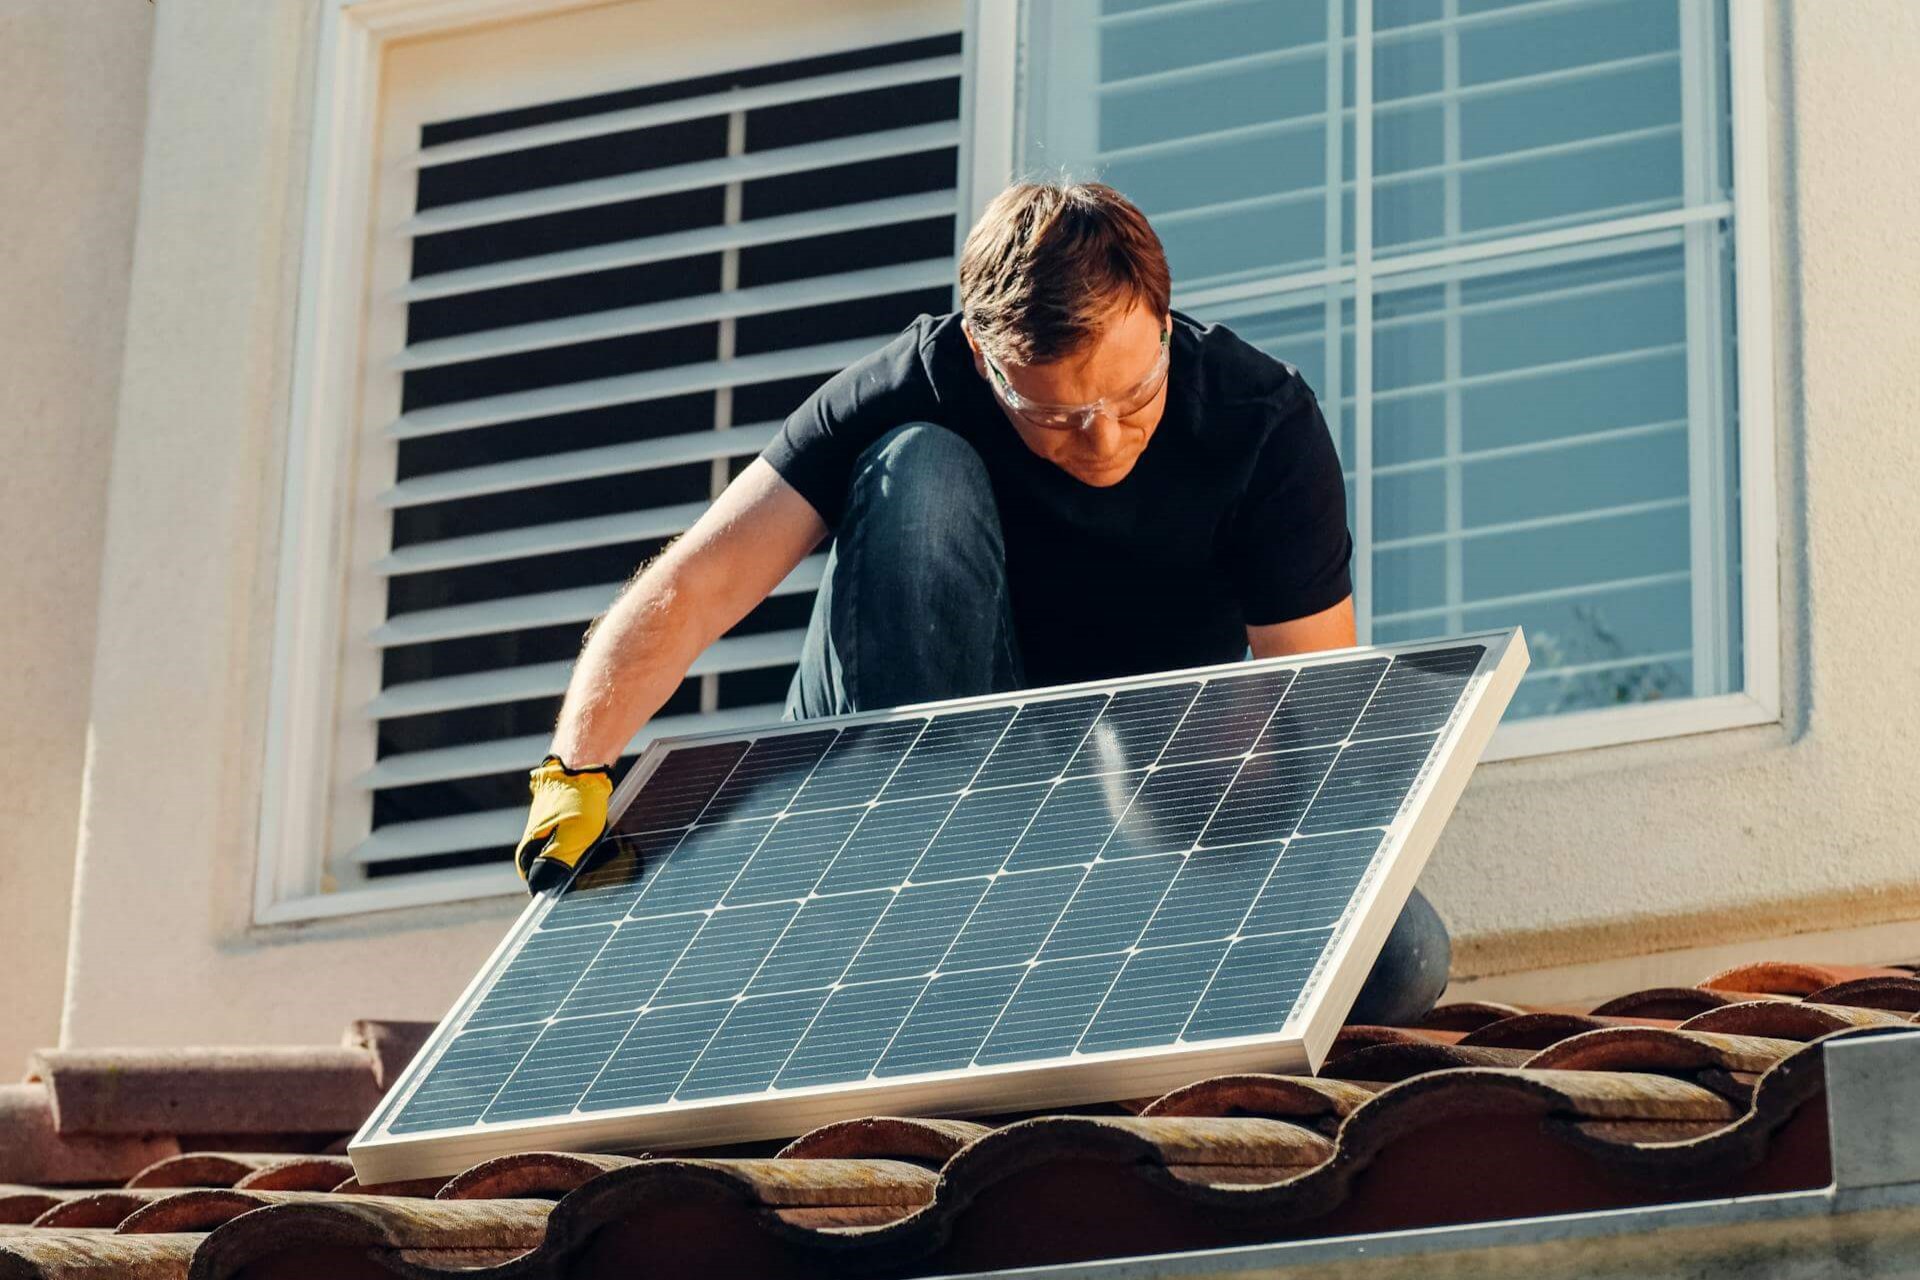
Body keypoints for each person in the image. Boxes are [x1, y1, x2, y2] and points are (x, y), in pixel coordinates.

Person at [513, 181, 1452, 1025]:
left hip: (1108, 815)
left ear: (1163, 323)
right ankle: (926, 888)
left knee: (1399, 955)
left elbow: (1320, 713)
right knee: (916, 472)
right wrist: (575, 773)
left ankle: (1053, 945)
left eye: (1133, 397)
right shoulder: (910, 384)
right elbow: (695, 584)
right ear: (984, 353)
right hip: (894, 792)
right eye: (1054, 416)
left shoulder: (1260, 426)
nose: (1103, 444)